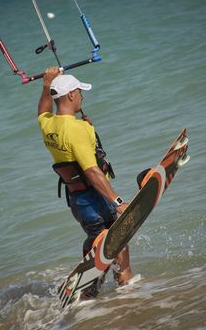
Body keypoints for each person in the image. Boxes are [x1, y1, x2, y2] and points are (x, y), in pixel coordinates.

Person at [38, 66, 132, 296]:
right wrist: (117, 201)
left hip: (77, 201)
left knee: (97, 237)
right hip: (96, 198)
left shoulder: (47, 125)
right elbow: (92, 171)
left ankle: (89, 286)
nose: (82, 96)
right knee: (117, 240)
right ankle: (130, 291)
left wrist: (46, 85)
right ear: (71, 95)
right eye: (80, 92)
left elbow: (42, 110)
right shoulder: (78, 129)